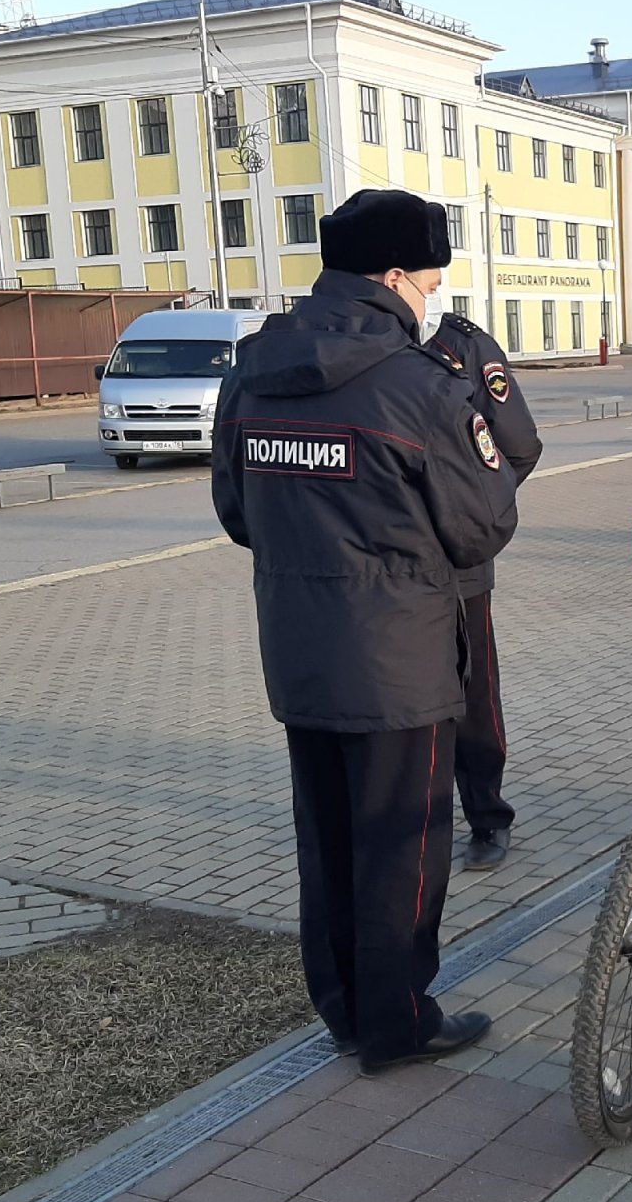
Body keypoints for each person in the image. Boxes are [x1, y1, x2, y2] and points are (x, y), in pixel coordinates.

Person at [211, 188, 518, 1074]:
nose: (428, 303)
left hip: (300, 648)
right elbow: (481, 525)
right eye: (426, 285)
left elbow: (237, 510)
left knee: (330, 840)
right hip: (400, 660)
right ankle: (397, 1023)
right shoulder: (419, 389)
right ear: (392, 276)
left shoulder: (256, 365)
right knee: (403, 850)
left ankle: (344, 1009)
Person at [422, 309, 542, 871]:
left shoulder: (463, 347)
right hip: (388, 568)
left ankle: (487, 816)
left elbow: (519, 446)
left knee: (472, 697)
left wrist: (467, 511)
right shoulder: (357, 346)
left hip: (458, 562)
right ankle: (420, 824)